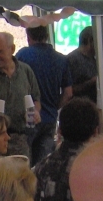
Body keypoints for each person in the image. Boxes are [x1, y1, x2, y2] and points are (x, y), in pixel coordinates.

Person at [17, 26, 73, 165]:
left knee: (23, 162)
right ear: (47, 35)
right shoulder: (61, 59)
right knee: (42, 163)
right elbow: (68, 93)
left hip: (28, 117)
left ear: (28, 36)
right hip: (50, 118)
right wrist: (54, 106)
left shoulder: (23, 55)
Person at [67, 26, 97, 103]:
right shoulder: (72, 59)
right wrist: (91, 82)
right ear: (90, 40)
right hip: (78, 106)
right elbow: (69, 89)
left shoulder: (94, 59)